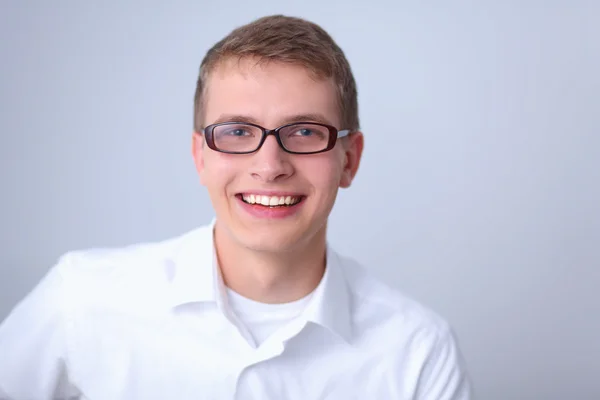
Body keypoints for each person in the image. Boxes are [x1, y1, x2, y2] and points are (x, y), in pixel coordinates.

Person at [0, 15, 472, 400]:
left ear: (349, 160)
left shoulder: (418, 353)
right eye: (237, 132)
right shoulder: (81, 299)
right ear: (199, 156)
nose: (269, 166)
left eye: (305, 132)